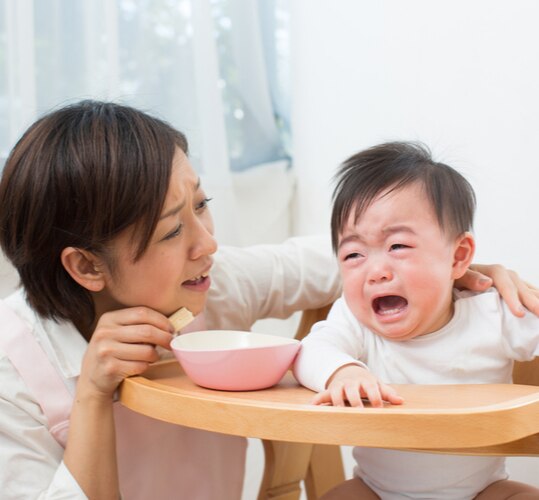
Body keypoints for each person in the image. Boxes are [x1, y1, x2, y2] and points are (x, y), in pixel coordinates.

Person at [0, 104, 535, 500]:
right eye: (170, 232)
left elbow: (346, 255)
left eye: (202, 205)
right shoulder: (14, 361)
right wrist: (93, 396)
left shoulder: (215, 280)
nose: (208, 243)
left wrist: (449, 270)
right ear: (87, 266)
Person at [294, 141, 539, 499]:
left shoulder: (492, 313)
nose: (376, 271)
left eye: (398, 246)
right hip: (377, 491)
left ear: (458, 257)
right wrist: (343, 372)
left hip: (482, 491)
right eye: (353, 254)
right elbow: (310, 349)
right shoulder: (355, 323)